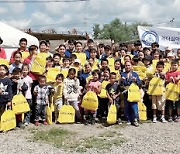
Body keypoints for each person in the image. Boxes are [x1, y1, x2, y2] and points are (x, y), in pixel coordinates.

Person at [120, 61, 141, 126]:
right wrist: (121, 81)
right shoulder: (122, 74)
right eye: (126, 65)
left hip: (133, 93)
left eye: (129, 65)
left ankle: (135, 119)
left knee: (134, 106)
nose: (127, 67)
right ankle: (128, 119)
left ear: (131, 66)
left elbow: (140, 83)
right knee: (127, 106)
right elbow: (120, 85)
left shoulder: (135, 74)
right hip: (126, 92)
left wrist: (136, 80)